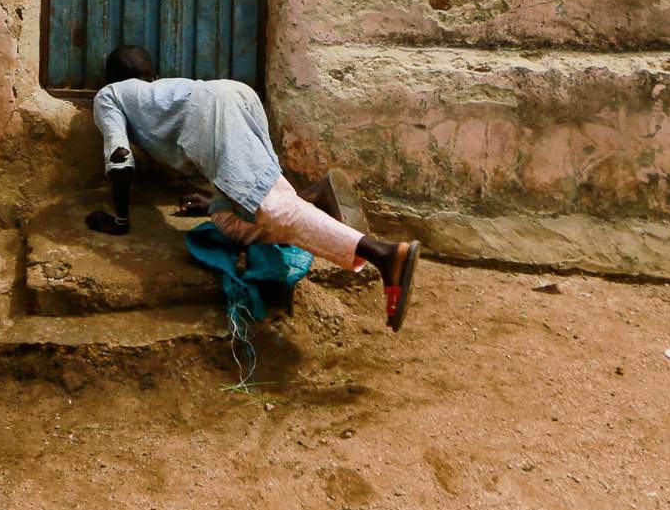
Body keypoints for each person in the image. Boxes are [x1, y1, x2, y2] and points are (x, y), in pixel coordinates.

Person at [84, 43, 421, 330]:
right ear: (152, 75)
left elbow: (119, 158)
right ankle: (313, 197)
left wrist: (121, 221)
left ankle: (385, 254)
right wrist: (216, 199)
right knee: (229, 216)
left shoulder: (109, 94)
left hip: (213, 112)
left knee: (270, 209)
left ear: (108, 79)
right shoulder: (163, 90)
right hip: (237, 93)